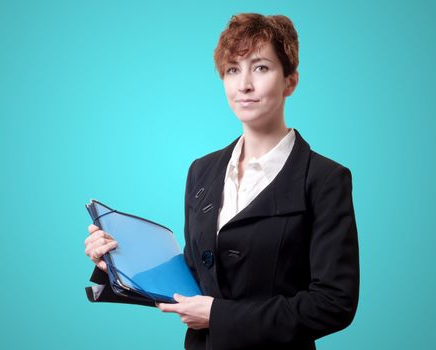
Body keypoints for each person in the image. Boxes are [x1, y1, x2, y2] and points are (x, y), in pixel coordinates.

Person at [84, 13, 359, 350]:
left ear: (290, 81)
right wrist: (116, 262)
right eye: (232, 70)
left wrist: (220, 316)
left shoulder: (325, 179)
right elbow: (194, 281)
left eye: (260, 67)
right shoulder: (202, 170)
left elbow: (334, 303)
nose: (244, 84)